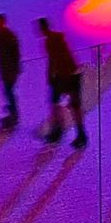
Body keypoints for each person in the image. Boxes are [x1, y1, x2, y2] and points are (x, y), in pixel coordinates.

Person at [38, 18, 88, 148]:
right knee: (74, 105)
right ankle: (81, 134)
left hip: (64, 76)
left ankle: (58, 131)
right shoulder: (58, 38)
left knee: (55, 102)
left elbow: (54, 60)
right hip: (73, 74)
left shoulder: (49, 41)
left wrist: (50, 76)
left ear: (42, 28)